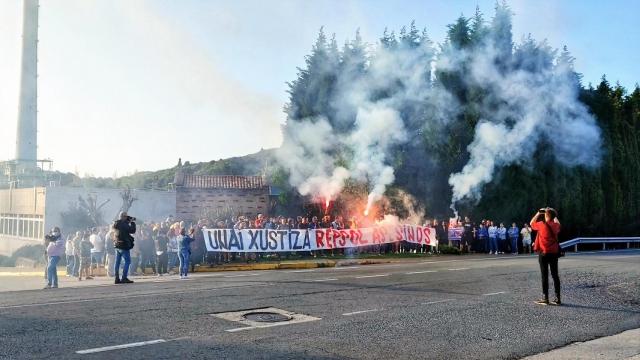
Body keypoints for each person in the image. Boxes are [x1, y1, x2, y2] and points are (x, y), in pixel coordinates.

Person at [530, 207, 562, 305]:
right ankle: (557, 298)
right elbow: (558, 223)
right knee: (555, 275)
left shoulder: (541, 225)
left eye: (545, 214)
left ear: (546, 215)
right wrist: (552, 214)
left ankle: (545, 298)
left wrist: (538, 213)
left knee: (544, 276)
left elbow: (531, 223)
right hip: (554, 253)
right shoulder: (556, 225)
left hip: (543, 253)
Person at [113, 211, 136, 284]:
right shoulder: (124, 224)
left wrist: (127, 221)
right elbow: (132, 230)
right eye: (126, 216)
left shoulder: (116, 223)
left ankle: (116, 278)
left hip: (117, 245)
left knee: (117, 262)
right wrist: (132, 222)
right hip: (123, 246)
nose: (127, 217)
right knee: (128, 261)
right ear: (123, 217)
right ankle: (124, 278)